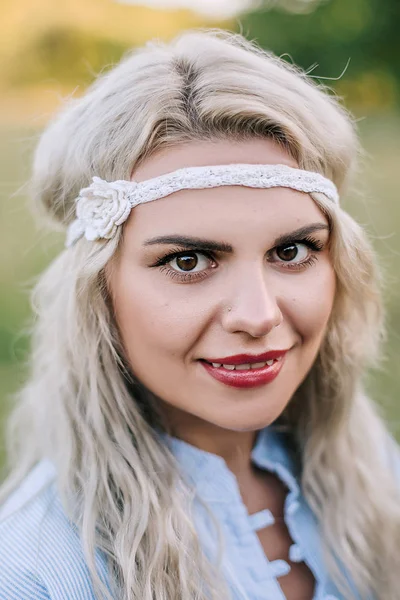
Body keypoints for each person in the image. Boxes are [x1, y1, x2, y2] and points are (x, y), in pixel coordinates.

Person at [0, 27, 399, 600]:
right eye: (189, 260)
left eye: (292, 251)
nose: (258, 316)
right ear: (97, 290)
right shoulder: (38, 574)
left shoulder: (372, 469)